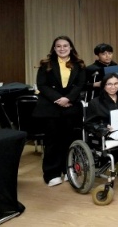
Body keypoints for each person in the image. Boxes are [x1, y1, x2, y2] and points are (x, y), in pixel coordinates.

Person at [33, 36, 86, 186]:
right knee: (52, 141)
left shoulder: (79, 64)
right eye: (59, 46)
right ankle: (52, 174)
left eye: (65, 46)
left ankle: (69, 170)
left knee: (69, 140)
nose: (62, 48)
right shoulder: (46, 64)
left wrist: (68, 99)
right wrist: (58, 99)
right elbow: (42, 85)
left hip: (70, 106)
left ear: (71, 48)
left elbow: (80, 85)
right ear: (54, 48)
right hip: (51, 107)